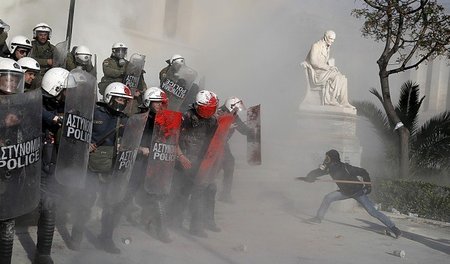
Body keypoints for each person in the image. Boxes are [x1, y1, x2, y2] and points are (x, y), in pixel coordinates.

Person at [68, 82, 132, 254]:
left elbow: (132, 140)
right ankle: (77, 235)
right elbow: (76, 132)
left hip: (111, 166)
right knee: (86, 201)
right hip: (91, 165)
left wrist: (126, 147)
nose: (122, 102)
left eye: (125, 100)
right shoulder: (93, 112)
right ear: (110, 97)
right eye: (119, 98)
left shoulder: (124, 119)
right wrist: (85, 144)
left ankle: (106, 239)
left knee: (112, 204)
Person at [299, 149, 402, 238]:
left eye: (327, 157)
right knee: (328, 198)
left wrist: (368, 186)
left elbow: (363, 172)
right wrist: (308, 177)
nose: (326, 159)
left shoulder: (346, 167)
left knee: (372, 212)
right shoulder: (329, 168)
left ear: (333, 158)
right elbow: (318, 172)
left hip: (358, 192)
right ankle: (318, 218)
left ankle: (394, 229)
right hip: (344, 192)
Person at [122, 87, 173, 243]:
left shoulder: (165, 120)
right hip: (138, 161)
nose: (159, 105)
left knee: (156, 194)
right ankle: (115, 220)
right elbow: (126, 143)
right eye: (156, 102)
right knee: (129, 191)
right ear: (148, 102)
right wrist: (140, 149)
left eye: (161, 103)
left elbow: (169, 140)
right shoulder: (137, 119)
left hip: (156, 162)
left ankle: (161, 230)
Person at [167, 90, 219, 238]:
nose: (208, 113)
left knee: (200, 193)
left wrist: (210, 163)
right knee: (181, 193)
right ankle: (173, 221)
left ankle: (196, 226)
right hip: (184, 161)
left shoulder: (213, 120)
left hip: (201, 163)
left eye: (211, 109)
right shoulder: (186, 117)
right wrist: (181, 156)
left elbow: (214, 142)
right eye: (206, 109)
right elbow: (173, 137)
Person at [305, 30, 354, 109]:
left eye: (333, 40)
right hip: (316, 73)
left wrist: (331, 65)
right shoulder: (316, 46)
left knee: (343, 78)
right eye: (331, 39)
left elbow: (324, 62)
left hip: (323, 71)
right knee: (336, 77)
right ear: (325, 37)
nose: (332, 41)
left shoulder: (328, 47)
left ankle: (344, 102)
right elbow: (313, 61)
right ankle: (331, 100)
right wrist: (328, 67)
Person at [216, 97, 252, 203]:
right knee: (211, 170)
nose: (237, 111)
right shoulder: (218, 114)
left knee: (229, 165)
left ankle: (225, 194)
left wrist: (251, 132)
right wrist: (226, 126)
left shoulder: (234, 116)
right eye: (236, 109)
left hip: (223, 145)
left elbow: (243, 129)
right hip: (212, 144)